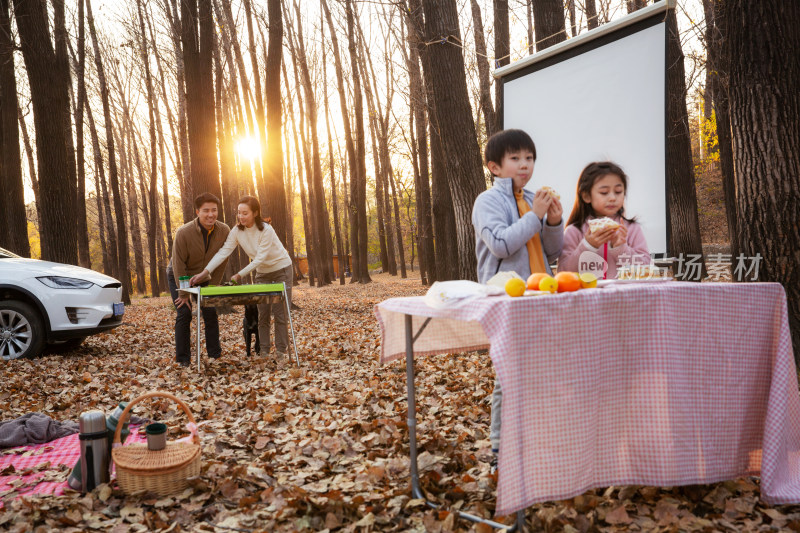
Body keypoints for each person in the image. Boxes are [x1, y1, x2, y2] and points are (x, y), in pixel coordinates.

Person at [471, 129, 564, 471]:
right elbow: (501, 244)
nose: (525, 165)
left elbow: (552, 252)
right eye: (515, 159)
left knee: (543, 373)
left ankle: (539, 443)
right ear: (495, 167)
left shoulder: (533, 198)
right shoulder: (488, 202)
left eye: (529, 158)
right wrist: (535, 215)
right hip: (506, 299)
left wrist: (553, 221)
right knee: (508, 377)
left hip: (541, 297)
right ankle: (500, 451)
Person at [191, 196, 293, 362]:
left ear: (255, 213)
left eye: (245, 213)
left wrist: (239, 275)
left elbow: (260, 258)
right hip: (262, 274)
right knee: (263, 314)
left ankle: (281, 352)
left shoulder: (266, 230)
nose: (241, 216)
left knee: (280, 314)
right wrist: (205, 272)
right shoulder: (237, 231)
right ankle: (264, 353)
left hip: (281, 269)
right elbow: (224, 251)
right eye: (239, 213)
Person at [167, 193, 231, 366]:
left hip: (205, 276)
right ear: (197, 212)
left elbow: (222, 259)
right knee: (184, 312)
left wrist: (212, 287)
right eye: (206, 211)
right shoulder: (183, 232)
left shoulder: (224, 230)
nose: (210, 214)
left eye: (214, 210)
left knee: (210, 312)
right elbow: (178, 263)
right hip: (180, 275)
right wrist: (184, 292)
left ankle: (215, 355)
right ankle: (183, 360)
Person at [558, 161, 650, 279]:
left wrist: (621, 248)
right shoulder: (574, 231)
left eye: (618, 192)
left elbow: (647, 269)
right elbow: (564, 273)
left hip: (625, 295)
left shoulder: (632, 229)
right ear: (586, 196)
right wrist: (588, 246)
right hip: (588, 296)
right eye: (604, 192)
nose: (612, 198)